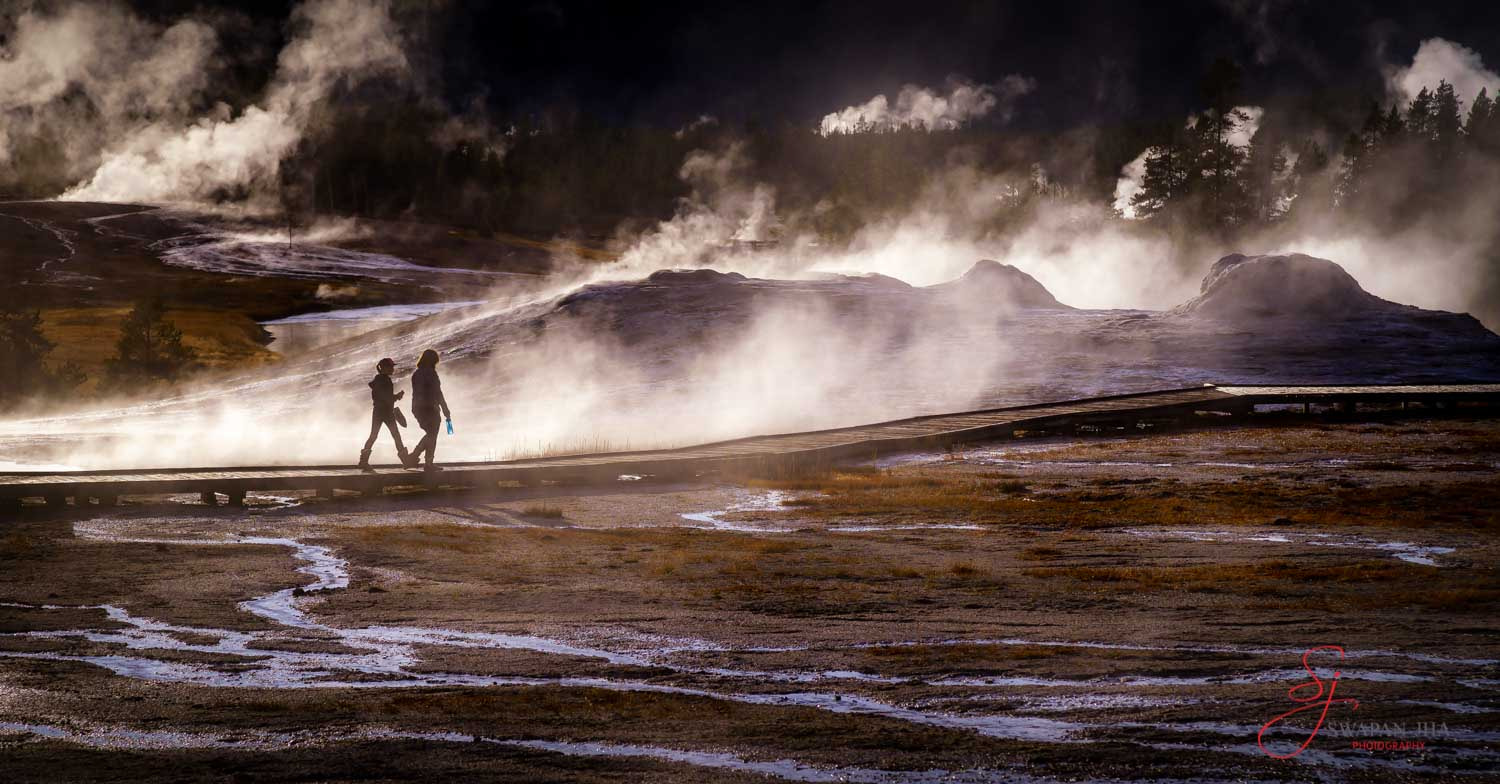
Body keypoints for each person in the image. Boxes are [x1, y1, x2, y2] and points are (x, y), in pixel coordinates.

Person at [359, 357, 410, 472]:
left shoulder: (379, 380)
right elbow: (386, 398)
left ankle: (363, 461)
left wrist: (395, 397)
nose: (393, 369)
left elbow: (382, 397)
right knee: (395, 435)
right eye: (391, 366)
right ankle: (405, 460)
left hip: (379, 411)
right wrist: (397, 396)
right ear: (384, 368)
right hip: (385, 412)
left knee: (374, 435)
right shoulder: (384, 380)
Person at [409, 348, 452, 471]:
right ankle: (424, 461)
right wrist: (445, 409)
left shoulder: (416, 373)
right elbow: (437, 392)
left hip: (417, 408)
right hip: (429, 408)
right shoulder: (431, 373)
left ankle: (421, 459)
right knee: (432, 435)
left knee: (430, 434)